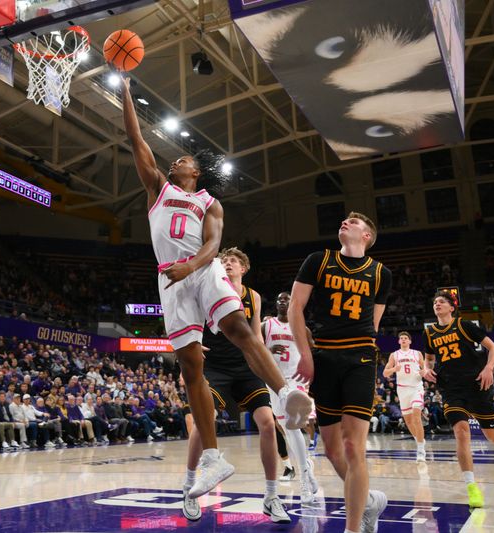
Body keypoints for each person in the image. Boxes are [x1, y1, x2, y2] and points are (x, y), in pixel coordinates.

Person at [121, 76, 312, 499]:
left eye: (183, 161)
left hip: (202, 270)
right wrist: (126, 91)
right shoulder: (157, 187)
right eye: (174, 162)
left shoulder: (210, 201)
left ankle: (287, 395)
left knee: (240, 330)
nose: (176, 163)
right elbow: (135, 138)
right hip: (170, 278)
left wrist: (191, 265)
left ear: (197, 171)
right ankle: (212, 458)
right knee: (190, 368)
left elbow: (212, 246)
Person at [289, 212, 392, 533]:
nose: (345, 222)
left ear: (367, 236)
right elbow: (295, 307)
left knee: (352, 446)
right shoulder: (318, 261)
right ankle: (370, 501)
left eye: (354, 222)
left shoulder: (380, 274)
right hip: (324, 357)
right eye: (344, 220)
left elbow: (373, 325)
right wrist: (305, 354)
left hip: (360, 356)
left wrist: (366, 353)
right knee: (332, 450)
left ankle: (353, 528)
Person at [183, 250, 293, 523]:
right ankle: (188, 488)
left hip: (245, 367)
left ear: (244, 268)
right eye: (224, 260)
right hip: (215, 366)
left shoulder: (253, 297)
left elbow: (255, 337)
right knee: (203, 419)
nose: (228, 263)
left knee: (268, 422)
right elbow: (186, 321)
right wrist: (192, 345)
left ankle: (271, 496)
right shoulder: (206, 288)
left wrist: (267, 364)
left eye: (234, 261)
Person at [422, 291, 494, 508]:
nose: (437, 304)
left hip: (477, 384)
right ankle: (471, 486)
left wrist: (488, 368)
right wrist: (425, 369)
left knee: (492, 437)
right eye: (435, 302)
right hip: (451, 388)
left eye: (441, 302)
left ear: (451, 307)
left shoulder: (465, 326)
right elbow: (428, 359)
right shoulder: (430, 333)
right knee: (461, 432)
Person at [263, 291, 320, 504]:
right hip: (274, 381)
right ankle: (308, 470)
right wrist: (268, 348)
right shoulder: (265, 326)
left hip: (296, 380)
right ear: (276, 304)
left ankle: (304, 481)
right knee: (287, 429)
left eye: (287, 300)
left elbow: (314, 351)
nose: (282, 302)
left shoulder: (301, 328)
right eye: (279, 299)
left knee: (293, 426)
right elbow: (254, 350)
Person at [383, 331, 427, 461]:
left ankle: (420, 450)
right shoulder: (394, 355)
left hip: (416, 388)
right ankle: (420, 439)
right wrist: (393, 370)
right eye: (401, 338)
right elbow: (385, 373)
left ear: (410, 341)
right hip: (402, 390)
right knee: (408, 421)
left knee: (416, 415)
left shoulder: (417, 353)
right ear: (398, 341)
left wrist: (424, 372)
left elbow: (425, 369)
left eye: (405, 338)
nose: (403, 340)